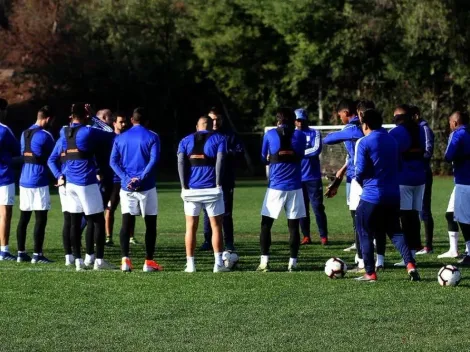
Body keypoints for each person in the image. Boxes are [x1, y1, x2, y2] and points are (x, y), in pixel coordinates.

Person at [354, 109, 420, 281]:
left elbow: (359, 171)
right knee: (396, 232)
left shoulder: (364, 142)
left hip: (372, 195)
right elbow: (399, 166)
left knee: (364, 232)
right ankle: (410, 265)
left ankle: (370, 272)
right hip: (393, 194)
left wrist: (362, 182)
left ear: (365, 124)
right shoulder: (392, 141)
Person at [59, 103, 114, 271]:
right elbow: (110, 132)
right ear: (85, 116)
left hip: (70, 182)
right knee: (97, 220)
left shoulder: (64, 131)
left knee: (74, 222)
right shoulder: (88, 131)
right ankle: (98, 261)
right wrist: (95, 118)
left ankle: (78, 261)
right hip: (86, 181)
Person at [110, 107, 162, 272]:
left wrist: (126, 179)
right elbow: (154, 160)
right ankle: (149, 262)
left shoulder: (121, 137)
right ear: (147, 121)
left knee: (126, 223)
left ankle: (125, 260)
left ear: (132, 120)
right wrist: (142, 178)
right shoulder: (153, 136)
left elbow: (113, 162)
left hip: (127, 188)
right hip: (147, 186)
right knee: (150, 224)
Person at [177, 116, 229, 273]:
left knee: (190, 227)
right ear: (212, 125)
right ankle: (218, 264)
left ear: (196, 126)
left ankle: (191, 264)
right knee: (216, 227)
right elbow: (220, 161)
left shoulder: (185, 140)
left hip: (191, 190)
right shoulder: (220, 138)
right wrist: (218, 183)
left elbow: (180, 162)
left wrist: (183, 185)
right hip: (212, 189)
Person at [257, 107, 306, 272]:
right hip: (295, 187)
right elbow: (301, 155)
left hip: (275, 187)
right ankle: (293, 262)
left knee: (266, 225)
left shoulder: (270, 134)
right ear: (293, 120)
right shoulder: (300, 135)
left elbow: (263, 158)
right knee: (293, 226)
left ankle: (264, 262)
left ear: (277, 120)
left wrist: (272, 157)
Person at [16, 106, 55, 263]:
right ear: (47, 118)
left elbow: (23, 154)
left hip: (24, 179)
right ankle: (37, 255)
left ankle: (20, 253)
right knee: (40, 218)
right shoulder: (45, 135)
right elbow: (55, 156)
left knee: (24, 217)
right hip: (38, 180)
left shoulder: (24, 133)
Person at [201, 107, 243, 251]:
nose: (214, 122)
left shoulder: (230, 135)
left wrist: (224, 153)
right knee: (207, 211)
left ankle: (229, 242)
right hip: (208, 180)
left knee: (226, 212)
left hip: (226, 179)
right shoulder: (204, 136)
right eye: (212, 119)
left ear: (222, 119)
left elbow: (239, 153)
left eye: (217, 119)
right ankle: (207, 240)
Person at [323, 99, 363, 253]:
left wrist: (336, 134)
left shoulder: (351, 128)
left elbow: (328, 140)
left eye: (340, 115)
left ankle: (362, 257)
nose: (340, 118)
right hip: (361, 175)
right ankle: (367, 250)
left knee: (357, 215)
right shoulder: (363, 126)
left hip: (358, 178)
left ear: (346, 113)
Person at [388, 104, 426, 266]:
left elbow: (388, 151)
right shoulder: (420, 130)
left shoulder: (397, 132)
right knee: (413, 216)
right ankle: (412, 252)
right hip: (420, 178)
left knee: (404, 217)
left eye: (396, 116)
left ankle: (407, 258)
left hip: (404, 179)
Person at [293, 108, 328, 245]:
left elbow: (316, 149)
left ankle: (323, 236)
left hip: (313, 177)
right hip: (298, 177)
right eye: (297, 120)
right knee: (302, 209)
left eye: (302, 120)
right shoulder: (292, 134)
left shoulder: (315, 132)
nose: (300, 123)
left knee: (318, 207)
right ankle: (306, 236)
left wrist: (299, 153)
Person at [442, 111, 470, 265]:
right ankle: (455, 249)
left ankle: (469, 252)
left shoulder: (457, 134)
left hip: (464, 182)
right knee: (450, 213)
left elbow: (448, 156)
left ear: (455, 122)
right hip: (463, 182)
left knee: (465, 219)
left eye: (449, 122)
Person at [105, 112, 137, 246]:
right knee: (110, 207)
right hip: (113, 179)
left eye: (125, 122)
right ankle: (108, 237)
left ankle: (131, 236)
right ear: (114, 124)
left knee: (131, 208)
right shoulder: (109, 138)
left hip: (127, 178)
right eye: (120, 122)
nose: (123, 124)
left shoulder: (128, 138)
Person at [410, 106, 435, 255]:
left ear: (416, 115)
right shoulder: (413, 129)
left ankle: (428, 246)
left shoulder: (424, 129)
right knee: (414, 209)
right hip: (414, 173)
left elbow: (428, 151)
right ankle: (417, 244)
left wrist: (413, 157)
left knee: (424, 209)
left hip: (423, 172)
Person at [0, 99, 21, 261]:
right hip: (4, 177)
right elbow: (16, 151)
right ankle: (4, 250)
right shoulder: (5, 130)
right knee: (5, 214)